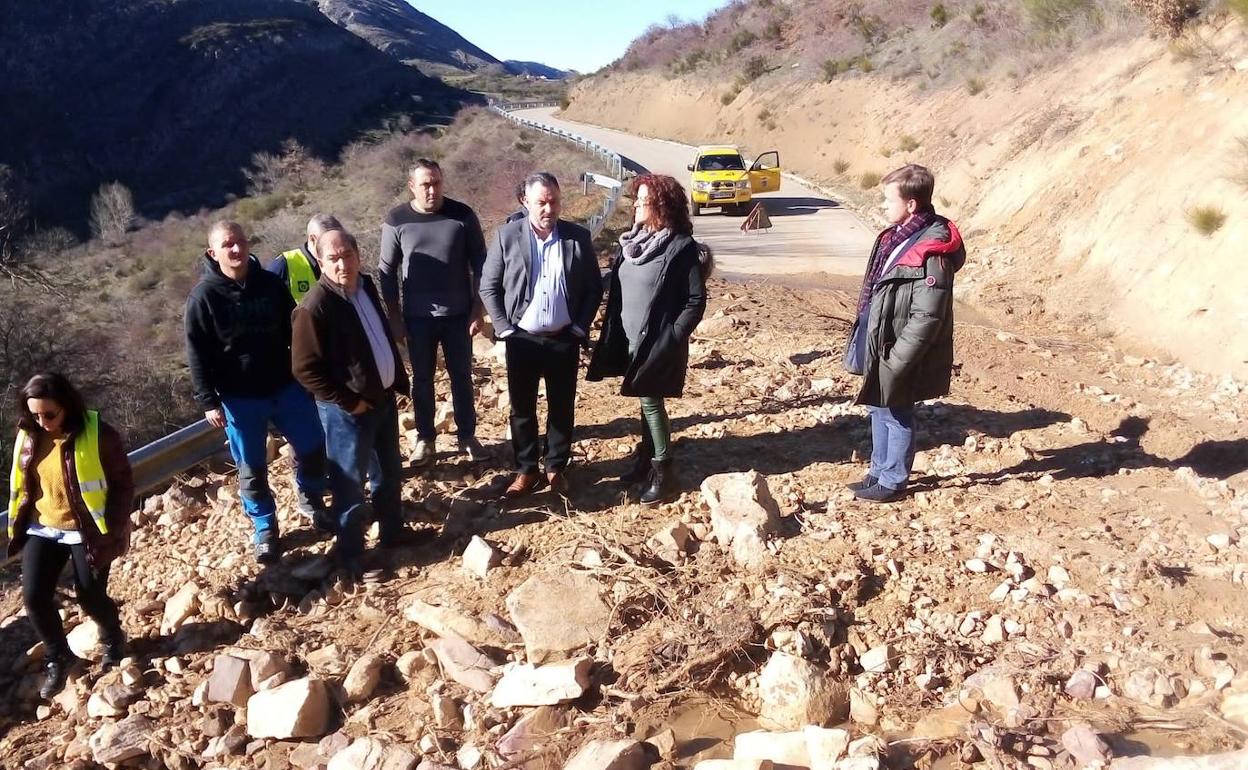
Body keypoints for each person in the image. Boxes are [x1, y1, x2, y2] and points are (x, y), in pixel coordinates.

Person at [185, 221, 329, 563]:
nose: (235, 249)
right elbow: (196, 352)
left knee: (312, 447)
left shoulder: (270, 284)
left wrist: (307, 372)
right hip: (239, 397)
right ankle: (265, 527)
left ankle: (313, 501)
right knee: (251, 466)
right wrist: (208, 400)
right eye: (227, 245)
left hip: (285, 385)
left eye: (240, 242)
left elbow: (294, 330)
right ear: (213, 252)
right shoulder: (203, 297)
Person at [293, 228, 421, 578]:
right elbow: (305, 370)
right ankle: (351, 557)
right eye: (333, 258)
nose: (342, 264)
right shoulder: (314, 307)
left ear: (357, 254)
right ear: (320, 262)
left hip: (381, 401)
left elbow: (377, 334)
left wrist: (396, 379)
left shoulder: (364, 287)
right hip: (347, 413)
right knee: (349, 484)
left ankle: (392, 533)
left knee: (388, 473)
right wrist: (349, 402)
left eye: (347, 255)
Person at [842, 164, 966, 502]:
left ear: (911, 204)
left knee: (896, 412)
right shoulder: (896, 237)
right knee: (877, 407)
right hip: (881, 340)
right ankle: (878, 471)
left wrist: (899, 359)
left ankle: (894, 480)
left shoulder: (932, 248)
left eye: (888, 200)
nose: (883, 206)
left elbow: (928, 315)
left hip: (897, 347)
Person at [6, 373, 133, 698]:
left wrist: (116, 525)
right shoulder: (29, 436)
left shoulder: (98, 435)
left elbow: (122, 483)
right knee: (34, 596)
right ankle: (58, 654)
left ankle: (111, 635)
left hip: (87, 530)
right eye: (34, 415)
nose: (42, 421)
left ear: (67, 406)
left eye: (50, 414)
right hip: (43, 527)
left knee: (89, 595)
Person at [588, 174, 711, 504]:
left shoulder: (679, 247)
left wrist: (673, 336)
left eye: (644, 201)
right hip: (629, 336)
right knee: (644, 398)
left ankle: (664, 473)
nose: (637, 206)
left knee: (651, 403)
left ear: (662, 205)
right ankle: (646, 461)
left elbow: (695, 300)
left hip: (657, 340)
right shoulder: (633, 242)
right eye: (636, 200)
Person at [479, 171, 603, 498]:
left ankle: (556, 467)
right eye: (541, 203)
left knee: (562, 406)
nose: (548, 209)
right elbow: (488, 286)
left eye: (554, 201)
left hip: (564, 337)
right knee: (522, 408)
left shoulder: (577, 237)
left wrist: (579, 327)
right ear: (525, 202)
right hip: (522, 339)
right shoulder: (507, 236)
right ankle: (526, 470)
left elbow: (593, 287)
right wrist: (505, 328)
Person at [379, 160, 488, 466]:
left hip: (458, 316)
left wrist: (477, 309)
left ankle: (468, 436)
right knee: (422, 381)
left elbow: (481, 262)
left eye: (437, 183)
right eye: (425, 184)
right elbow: (386, 270)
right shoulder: (397, 219)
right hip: (417, 317)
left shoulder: (462, 216)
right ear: (412, 186)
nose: (432, 190)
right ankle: (426, 439)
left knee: (462, 378)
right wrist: (395, 316)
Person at [269, 214, 342, 303]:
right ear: (312, 239)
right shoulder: (284, 264)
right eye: (328, 242)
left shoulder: (342, 263)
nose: (334, 248)